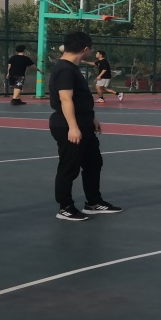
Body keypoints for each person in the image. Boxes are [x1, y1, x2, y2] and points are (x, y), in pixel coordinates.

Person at [49, 31, 122, 221]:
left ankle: (93, 202)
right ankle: (65, 207)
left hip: (84, 123)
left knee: (93, 162)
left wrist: (91, 118)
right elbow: (66, 99)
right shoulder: (65, 69)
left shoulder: (72, 67)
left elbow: (80, 99)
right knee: (69, 167)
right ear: (86, 49)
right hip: (68, 125)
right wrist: (73, 127)